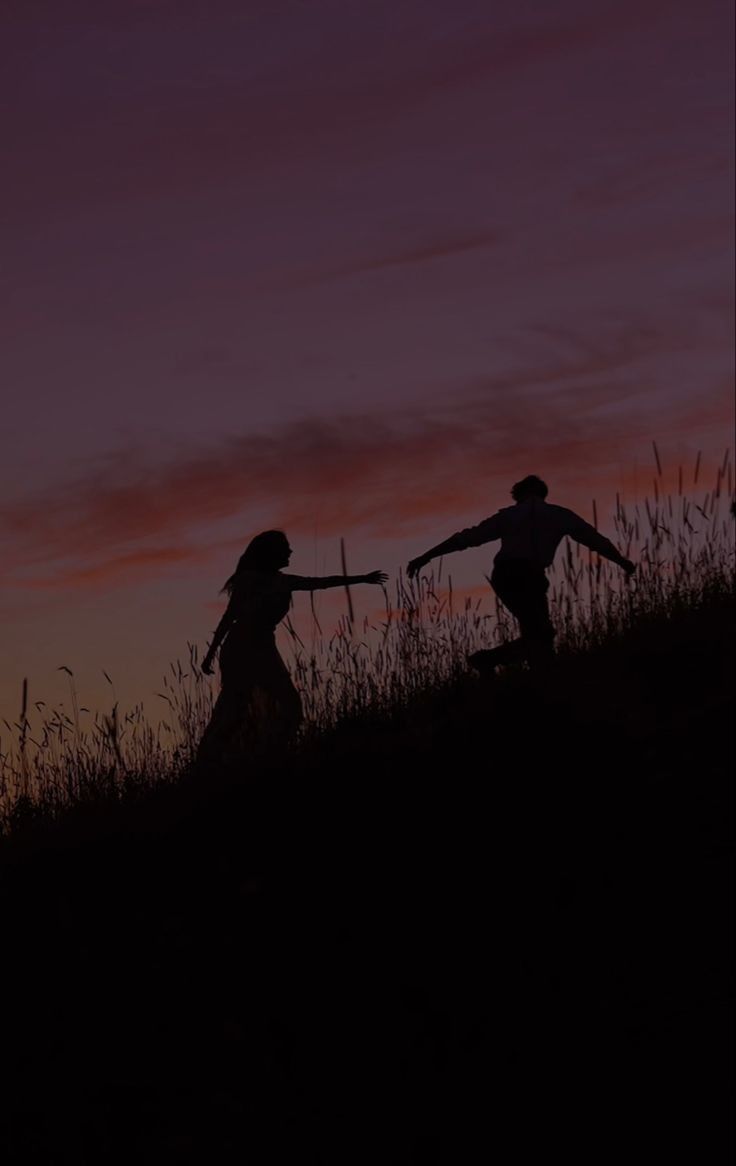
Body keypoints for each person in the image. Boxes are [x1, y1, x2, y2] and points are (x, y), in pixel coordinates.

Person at [407, 475, 635, 674]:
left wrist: (427, 556)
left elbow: (466, 538)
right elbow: (595, 540)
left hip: (508, 576)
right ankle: (489, 660)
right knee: (540, 634)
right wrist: (622, 562)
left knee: (538, 634)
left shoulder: (510, 515)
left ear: (519, 495)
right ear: (542, 493)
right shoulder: (560, 515)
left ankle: (522, 670)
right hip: (529, 577)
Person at [198, 530, 387, 764]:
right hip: (241, 648)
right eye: (285, 548)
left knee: (290, 707)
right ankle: (211, 761)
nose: (290, 552)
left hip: (264, 647)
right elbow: (229, 617)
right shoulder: (249, 580)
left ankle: (268, 756)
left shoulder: (284, 581)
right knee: (236, 708)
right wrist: (210, 654)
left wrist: (361, 578)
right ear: (271, 553)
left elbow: (322, 583)